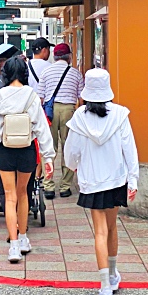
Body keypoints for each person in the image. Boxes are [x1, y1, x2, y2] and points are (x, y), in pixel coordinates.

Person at [63, 68, 139, 295]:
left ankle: (105, 287)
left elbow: (70, 155)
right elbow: (130, 148)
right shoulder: (120, 115)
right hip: (116, 178)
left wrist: (75, 167)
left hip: (92, 180)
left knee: (99, 232)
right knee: (112, 226)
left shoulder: (79, 118)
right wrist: (133, 178)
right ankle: (114, 274)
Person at [0, 56, 55, 264]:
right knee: (24, 193)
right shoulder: (31, 96)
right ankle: (24, 239)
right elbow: (41, 128)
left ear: (5, 74)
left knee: (9, 196)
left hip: (5, 150)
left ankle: (13, 247)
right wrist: (48, 157)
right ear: (24, 73)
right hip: (26, 151)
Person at [39, 42, 84, 199]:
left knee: (49, 148)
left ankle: (48, 186)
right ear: (69, 56)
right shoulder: (76, 73)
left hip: (50, 111)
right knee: (68, 147)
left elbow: (40, 97)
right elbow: (81, 99)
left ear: (55, 56)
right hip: (69, 111)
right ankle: (65, 187)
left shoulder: (46, 72)